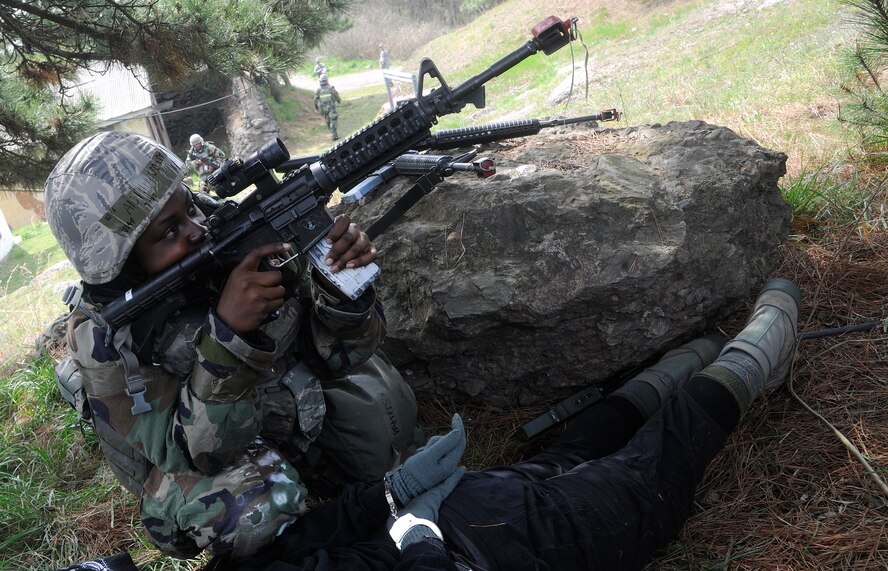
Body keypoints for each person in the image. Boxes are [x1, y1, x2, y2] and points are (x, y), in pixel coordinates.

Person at [203, 278, 801, 570]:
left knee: (648, 480)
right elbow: (305, 539)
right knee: (569, 456)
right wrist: (407, 519)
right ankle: (707, 347)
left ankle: (763, 335)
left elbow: (301, 538)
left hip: (484, 545)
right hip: (466, 514)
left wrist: (400, 499)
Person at [44, 131, 420, 558]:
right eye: (169, 231)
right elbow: (192, 453)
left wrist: (342, 282)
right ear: (123, 262)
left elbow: (340, 354)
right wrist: (230, 335)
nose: (197, 230)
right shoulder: (106, 337)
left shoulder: (228, 235)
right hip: (191, 460)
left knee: (384, 434)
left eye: (189, 207)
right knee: (251, 508)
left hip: (273, 407)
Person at [313, 74, 342, 141]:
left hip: (323, 108)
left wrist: (316, 107)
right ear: (327, 80)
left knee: (328, 121)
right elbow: (336, 95)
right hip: (331, 107)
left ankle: (334, 134)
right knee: (333, 120)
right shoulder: (331, 88)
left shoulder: (318, 89)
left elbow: (315, 99)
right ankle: (334, 135)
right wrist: (338, 101)